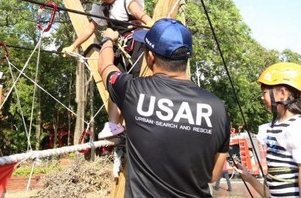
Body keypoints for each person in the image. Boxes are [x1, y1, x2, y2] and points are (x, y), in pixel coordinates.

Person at [98, 18, 230, 197]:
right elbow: (214, 175)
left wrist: (108, 40)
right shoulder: (218, 108)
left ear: (150, 57)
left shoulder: (133, 91)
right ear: (186, 57)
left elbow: (105, 67)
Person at [62, 0, 153, 139]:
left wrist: (154, 25)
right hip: (118, 49)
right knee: (114, 85)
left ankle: (138, 120)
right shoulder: (100, 9)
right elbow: (89, 29)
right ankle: (113, 125)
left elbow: (144, 18)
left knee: (137, 84)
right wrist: (73, 45)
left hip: (136, 47)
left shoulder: (127, 0)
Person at [234, 62, 301, 198]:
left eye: (264, 92)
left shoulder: (296, 127)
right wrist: (248, 177)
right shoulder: (273, 128)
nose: (262, 97)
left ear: (282, 93)